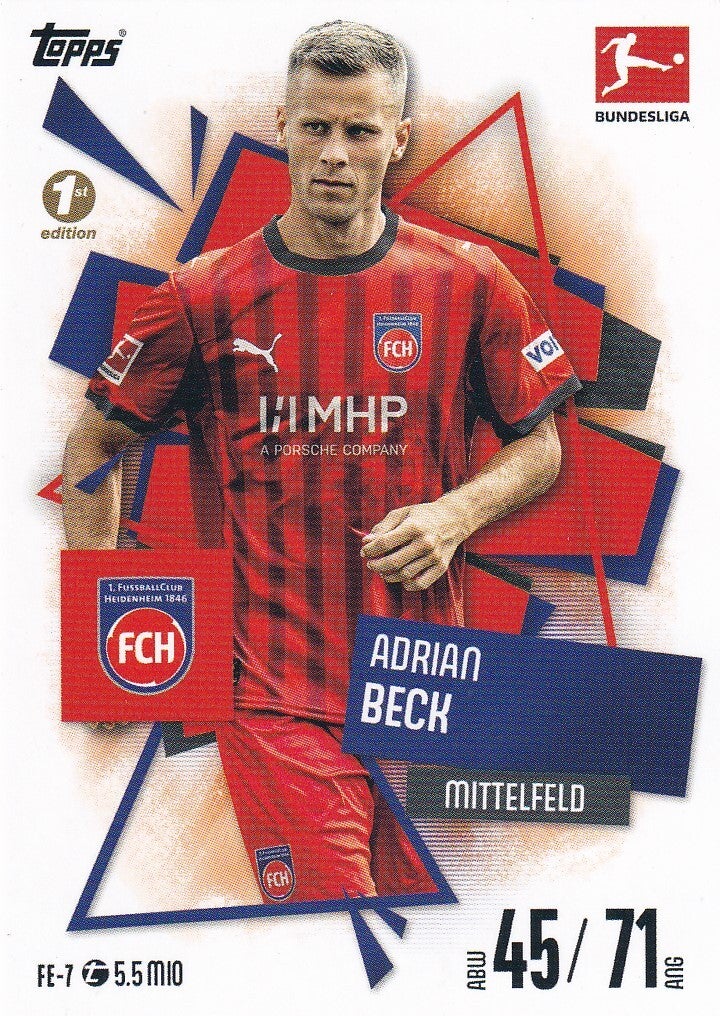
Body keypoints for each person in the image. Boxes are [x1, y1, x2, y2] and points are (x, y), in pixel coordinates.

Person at [63, 20, 580, 903]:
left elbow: (542, 445)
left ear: (398, 140)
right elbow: (93, 445)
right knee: (334, 935)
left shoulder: (469, 281)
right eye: (315, 127)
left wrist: (457, 513)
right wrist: (98, 648)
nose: (334, 153)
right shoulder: (201, 296)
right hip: (271, 695)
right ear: (283, 126)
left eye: (359, 130)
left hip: (420, 684)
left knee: (414, 943)